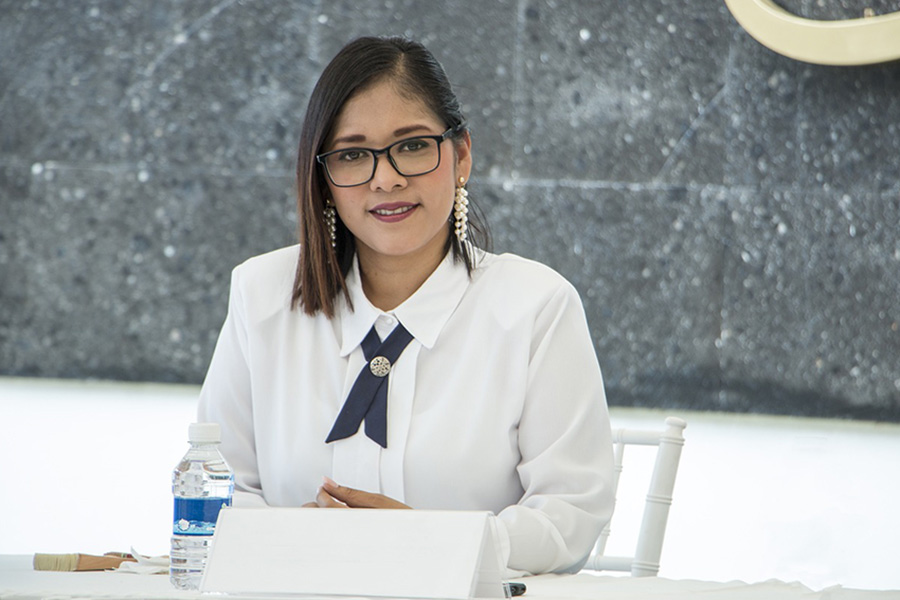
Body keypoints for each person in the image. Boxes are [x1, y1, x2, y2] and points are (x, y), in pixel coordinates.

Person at [198, 35, 614, 576]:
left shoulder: (536, 307)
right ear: (323, 180)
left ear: (461, 154)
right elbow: (214, 491)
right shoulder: (261, 295)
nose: (386, 178)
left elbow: (570, 515)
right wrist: (292, 540)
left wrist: (431, 543)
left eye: (413, 145)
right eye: (352, 155)